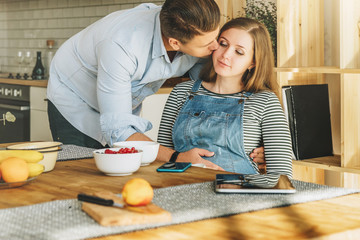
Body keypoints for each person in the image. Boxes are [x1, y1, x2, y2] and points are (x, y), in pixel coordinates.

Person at [47, 0, 265, 167]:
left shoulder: (192, 27)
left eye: (218, 38)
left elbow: (217, 85)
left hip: (120, 103)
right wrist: (177, 157)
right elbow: (119, 131)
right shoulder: (122, 46)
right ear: (175, 43)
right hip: (75, 99)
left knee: (126, 165)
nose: (217, 48)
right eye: (210, 44)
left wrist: (258, 140)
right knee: (84, 170)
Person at [158, 17, 292, 178]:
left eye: (239, 51)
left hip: (239, 197)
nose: (226, 54)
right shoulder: (181, 92)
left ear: (253, 62)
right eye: (223, 44)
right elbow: (162, 157)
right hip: (180, 188)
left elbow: (282, 175)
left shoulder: (265, 101)